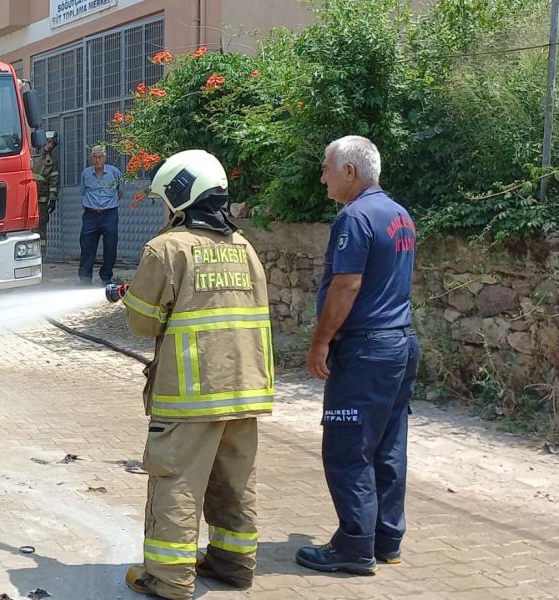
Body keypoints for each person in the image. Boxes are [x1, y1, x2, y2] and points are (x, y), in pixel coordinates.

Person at [117, 150, 273, 600]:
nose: (165, 211)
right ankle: (233, 564)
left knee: (176, 481)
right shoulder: (244, 248)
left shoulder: (167, 248)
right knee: (235, 479)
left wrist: (134, 296)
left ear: (180, 197)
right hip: (245, 387)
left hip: (190, 395)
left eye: (166, 201)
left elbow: (143, 322)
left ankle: (167, 579)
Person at [295, 136, 419, 576]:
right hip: (400, 344)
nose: (322, 175)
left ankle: (353, 546)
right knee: (388, 445)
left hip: (366, 349)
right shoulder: (399, 214)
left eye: (326, 167)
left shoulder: (355, 216)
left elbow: (347, 286)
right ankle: (386, 539)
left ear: (350, 171)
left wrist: (320, 341)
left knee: (348, 447)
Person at [79, 145, 123, 285]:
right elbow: (83, 191)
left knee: (110, 246)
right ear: (91, 158)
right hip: (90, 214)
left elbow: (120, 192)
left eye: (100, 157)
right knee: (86, 246)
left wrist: (108, 205)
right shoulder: (86, 174)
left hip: (109, 214)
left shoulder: (115, 172)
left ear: (105, 158)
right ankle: (85, 278)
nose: (98, 160)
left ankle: (106, 277)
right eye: (95, 157)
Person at [32, 131, 60, 249]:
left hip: (41, 202)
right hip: (26, 200)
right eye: (48, 142)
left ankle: (41, 255)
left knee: (41, 230)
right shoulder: (30, 155)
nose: (49, 146)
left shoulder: (51, 162)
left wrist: (53, 199)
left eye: (52, 144)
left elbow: (54, 182)